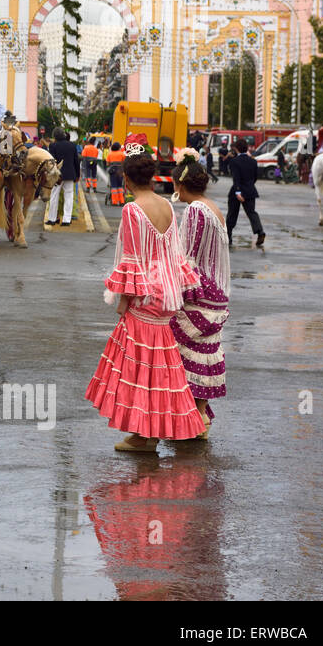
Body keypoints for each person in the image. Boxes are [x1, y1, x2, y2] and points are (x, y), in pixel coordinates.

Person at [85, 145, 204, 452]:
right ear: (152, 177)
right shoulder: (166, 205)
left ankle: (145, 435)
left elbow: (131, 258)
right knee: (161, 365)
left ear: (125, 179)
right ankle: (152, 431)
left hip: (146, 293)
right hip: (168, 290)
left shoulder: (132, 210)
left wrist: (123, 300)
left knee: (139, 365)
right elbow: (174, 252)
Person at [169, 149, 228, 440]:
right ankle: (199, 417)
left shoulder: (195, 211)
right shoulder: (212, 207)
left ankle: (194, 420)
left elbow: (187, 258)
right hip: (215, 291)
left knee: (183, 354)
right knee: (204, 356)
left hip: (199, 291)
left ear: (180, 185)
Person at [226, 138, 265, 248]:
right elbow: (255, 177)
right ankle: (260, 232)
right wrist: (249, 186)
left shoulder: (234, 161)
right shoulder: (253, 161)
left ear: (236, 149)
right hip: (250, 190)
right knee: (252, 213)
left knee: (232, 214)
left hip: (237, 192)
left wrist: (238, 192)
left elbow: (236, 178)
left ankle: (228, 237)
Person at [46, 128, 80, 225]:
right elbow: (76, 161)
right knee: (69, 196)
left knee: (54, 196)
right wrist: (77, 175)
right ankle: (66, 220)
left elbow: (52, 160)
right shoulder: (72, 145)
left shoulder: (53, 145)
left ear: (55, 137)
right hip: (70, 174)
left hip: (57, 175)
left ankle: (52, 219)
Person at [105, 140, 126, 205]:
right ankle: (122, 201)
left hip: (112, 171)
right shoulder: (122, 154)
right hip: (120, 171)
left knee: (114, 186)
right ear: (118, 147)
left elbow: (107, 163)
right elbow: (124, 163)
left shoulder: (110, 154)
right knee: (120, 186)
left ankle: (114, 202)